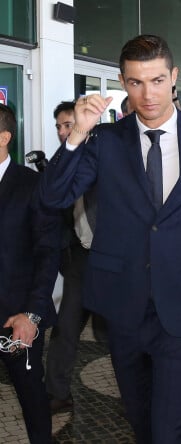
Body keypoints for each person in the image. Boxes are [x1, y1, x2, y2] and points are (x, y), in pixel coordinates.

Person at [39, 35, 181, 444]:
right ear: (122, 83)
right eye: (136, 83)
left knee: (171, 426)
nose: (148, 94)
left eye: (158, 80)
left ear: (174, 77)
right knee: (141, 419)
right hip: (123, 301)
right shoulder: (106, 140)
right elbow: (54, 195)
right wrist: (77, 133)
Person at [0, 103, 61, 443]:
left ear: (4, 137)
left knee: (31, 396)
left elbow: (48, 253)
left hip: (17, 317)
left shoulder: (32, 185)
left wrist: (32, 314)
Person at [45, 100, 107, 414]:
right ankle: (56, 392)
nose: (62, 131)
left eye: (68, 124)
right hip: (80, 259)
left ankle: (143, 393)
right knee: (67, 326)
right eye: (58, 126)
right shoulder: (61, 162)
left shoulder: (103, 157)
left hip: (112, 260)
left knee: (120, 332)